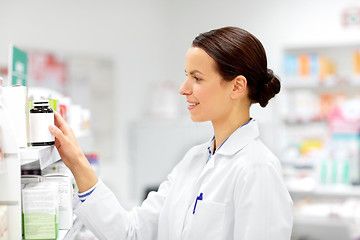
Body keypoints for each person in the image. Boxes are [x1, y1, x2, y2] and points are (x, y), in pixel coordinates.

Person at [49, 26, 293, 240]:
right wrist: (77, 162)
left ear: (237, 86)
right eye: (186, 76)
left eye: (197, 78)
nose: (183, 89)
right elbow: (131, 233)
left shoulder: (257, 169)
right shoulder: (193, 161)